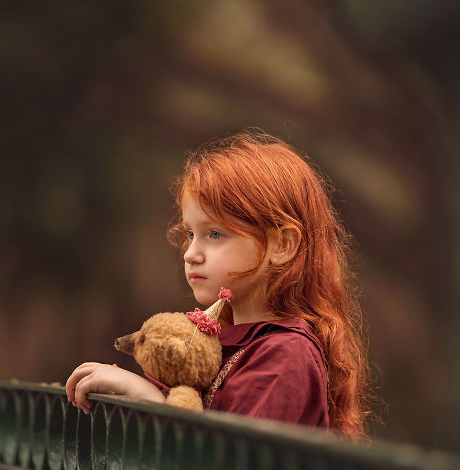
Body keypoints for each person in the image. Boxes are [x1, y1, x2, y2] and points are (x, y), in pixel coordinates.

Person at [66, 131, 373, 439]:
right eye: (190, 234)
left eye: (215, 234)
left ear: (283, 245)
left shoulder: (286, 354)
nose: (190, 254)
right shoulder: (218, 345)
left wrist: (149, 401)